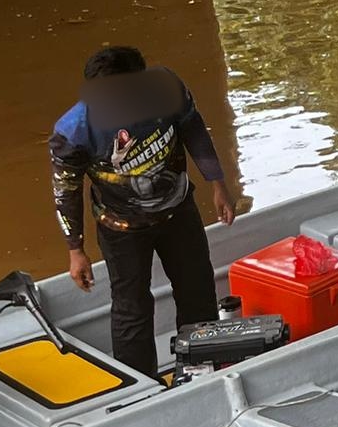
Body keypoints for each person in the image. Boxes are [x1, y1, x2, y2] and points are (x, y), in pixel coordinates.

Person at [49, 45, 235, 378]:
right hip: (121, 227)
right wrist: (75, 249)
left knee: (197, 290)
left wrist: (217, 183)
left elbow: (192, 127)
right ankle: (140, 387)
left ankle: (202, 368)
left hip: (177, 210)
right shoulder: (74, 131)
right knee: (131, 307)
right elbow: (66, 189)